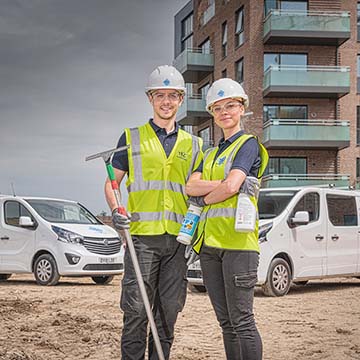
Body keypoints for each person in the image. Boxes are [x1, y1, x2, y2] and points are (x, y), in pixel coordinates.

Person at [104, 65, 203, 360]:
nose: (166, 102)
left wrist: (194, 236)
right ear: (150, 98)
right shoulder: (131, 137)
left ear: (181, 99)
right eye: (160, 95)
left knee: (168, 311)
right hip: (142, 240)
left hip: (177, 243)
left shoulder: (194, 145)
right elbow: (112, 185)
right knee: (136, 310)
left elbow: (197, 196)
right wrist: (116, 210)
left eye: (173, 96)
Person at [185, 78, 268, 360]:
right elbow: (190, 187)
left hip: (238, 246)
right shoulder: (208, 154)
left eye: (230, 105)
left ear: (242, 107)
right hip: (210, 248)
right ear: (212, 113)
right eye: (218, 108)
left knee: (243, 322)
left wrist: (207, 196)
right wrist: (222, 185)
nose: (224, 112)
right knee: (226, 324)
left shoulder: (248, 145)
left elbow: (232, 187)